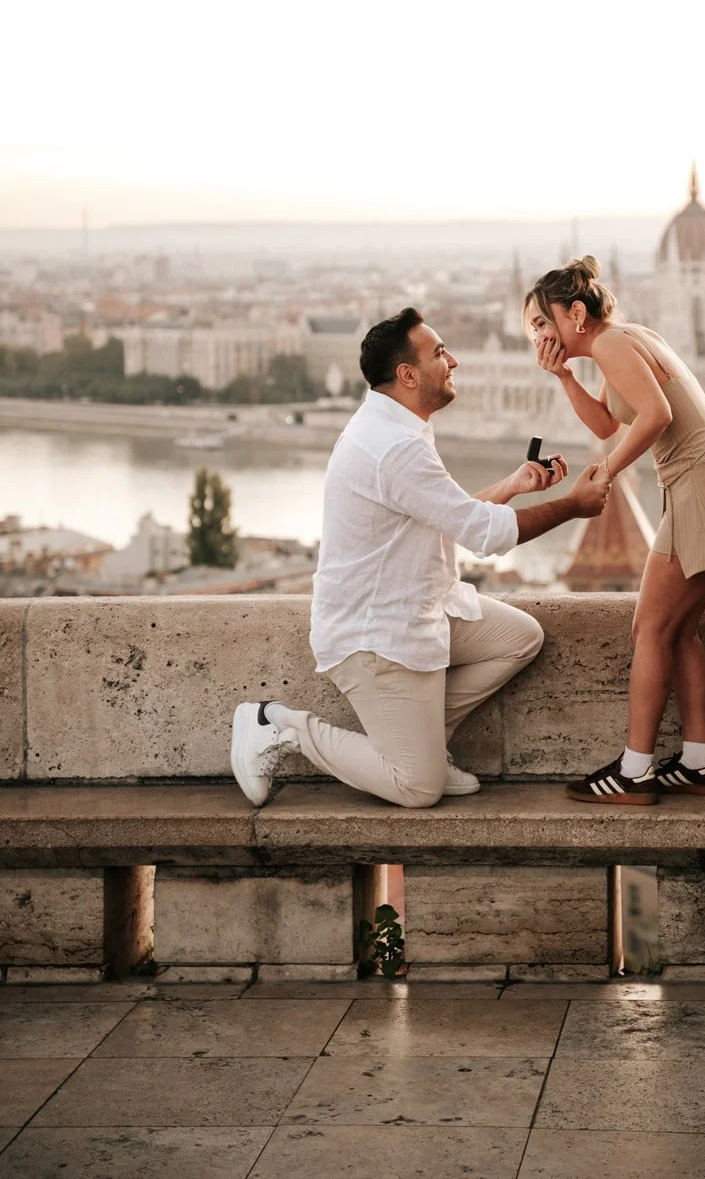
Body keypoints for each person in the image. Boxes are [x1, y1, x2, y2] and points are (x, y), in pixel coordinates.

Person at [230, 305, 611, 809]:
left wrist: (514, 485)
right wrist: (573, 507)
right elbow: (484, 536)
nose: (453, 361)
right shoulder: (395, 447)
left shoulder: (394, 426)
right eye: (439, 353)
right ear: (407, 375)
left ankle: (424, 746)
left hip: (416, 607)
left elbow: (442, 513)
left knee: (520, 638)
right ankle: (279, 727)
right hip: (376, 634)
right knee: (418, 788)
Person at [524, 256, 705, 805]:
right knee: (678, 629)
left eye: (544, 324)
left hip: (700, 484)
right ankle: (698, 762)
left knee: (649, 630)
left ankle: (635, 771)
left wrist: (610, 470)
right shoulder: (620, 340)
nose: (540, 336)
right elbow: (607, 423)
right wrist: (563, 375)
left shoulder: (613, 345)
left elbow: (657, 416)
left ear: (576, 314)